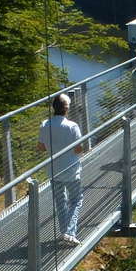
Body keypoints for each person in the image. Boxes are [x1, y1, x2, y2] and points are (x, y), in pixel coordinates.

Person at [37, 93, 85, 244]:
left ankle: (65, 232)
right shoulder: (72, 126)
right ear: (67, 109)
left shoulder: (45, 124)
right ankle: (69, 232)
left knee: (60, 201)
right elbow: (79, 149)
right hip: (71, 170)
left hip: (53, 170)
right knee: (76, 200)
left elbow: (41, 147)